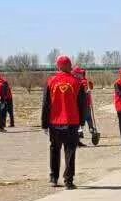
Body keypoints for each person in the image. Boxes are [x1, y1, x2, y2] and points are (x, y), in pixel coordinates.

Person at [41, 56, 88, 188]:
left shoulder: (50, 81)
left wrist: (44, 123)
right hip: (72, 121)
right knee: (70, 150)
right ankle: (68, 180)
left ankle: (53, 178)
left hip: (54, 122)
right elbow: (82, 104)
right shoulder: (77, 82)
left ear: (58, 66)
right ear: (69, 66)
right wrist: (82, 122)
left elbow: (46, 104)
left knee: (54, 149)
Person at [73, 67, 99, 143]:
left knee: (83, 119)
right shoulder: (83, 81)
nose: (82, 74)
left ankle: (82, 132)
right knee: (87, 119)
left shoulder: (83, 81)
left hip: (84, 104)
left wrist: (88, 89)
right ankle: (90, 130)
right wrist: (87, 91)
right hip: (85, 104)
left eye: (82, 73)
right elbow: (87, 90)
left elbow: (90, 88)